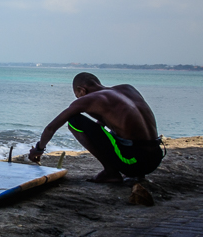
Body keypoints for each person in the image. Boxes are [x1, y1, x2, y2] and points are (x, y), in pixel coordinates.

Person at [28, 72, 164, 182]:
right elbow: (116, 121)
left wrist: (39, 149)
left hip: (134, 163)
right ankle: (137, 173)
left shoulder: (90, 99)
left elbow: (51, 128)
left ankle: (110, 172)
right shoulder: (127, 89)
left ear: (82, 90)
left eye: (77, 95)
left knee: (74, 121)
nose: (78, 99)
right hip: (156, 158)